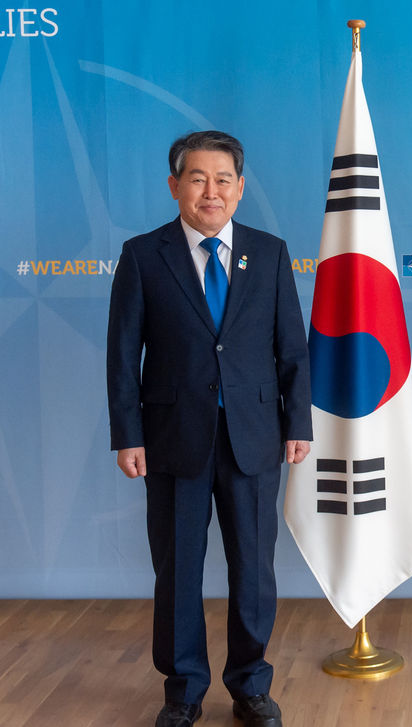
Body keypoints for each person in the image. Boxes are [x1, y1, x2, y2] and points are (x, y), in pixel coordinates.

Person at [107, 130, 312, 727]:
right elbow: (124, 356)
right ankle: (184, 689)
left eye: (223, 179)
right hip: (173, 439)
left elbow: (292, 350)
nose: (211, 191)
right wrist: (128, 433)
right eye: (197, 179)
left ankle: (250, 684)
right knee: (178, 571)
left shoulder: (270, 254)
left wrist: (296, 420)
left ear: (241, 189)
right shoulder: (144, 256)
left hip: (254, 437)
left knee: (254, 570)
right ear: (175, 186)